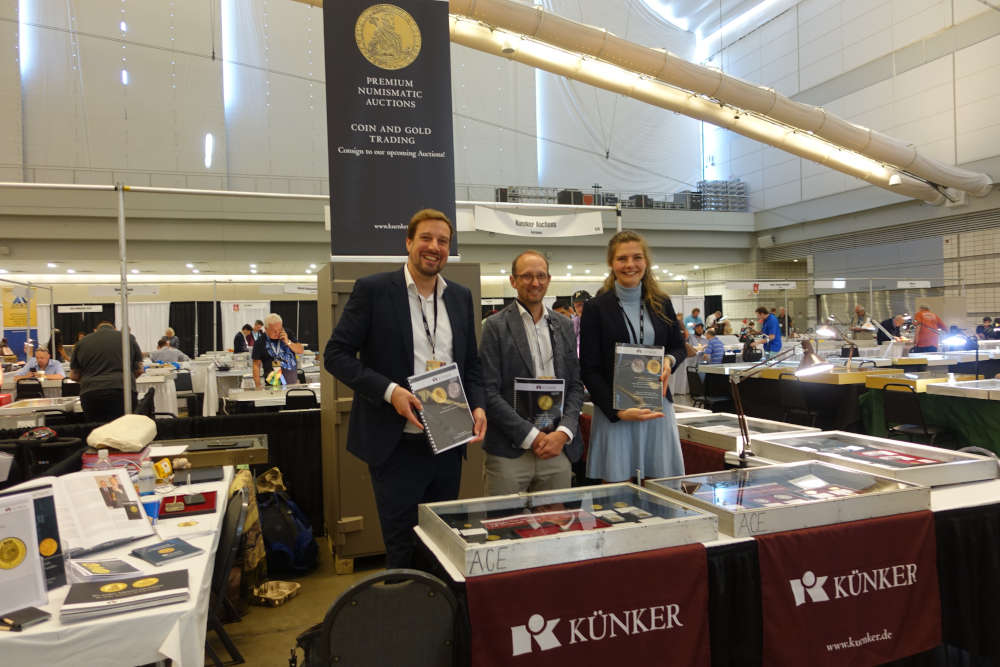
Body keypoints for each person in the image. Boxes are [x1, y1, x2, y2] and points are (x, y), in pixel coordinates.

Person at [325, 208, 486, 569]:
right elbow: (335, 355)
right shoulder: (374, 290)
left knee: (444, 543)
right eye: (426, 238)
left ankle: (438, 603)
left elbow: (471, 365)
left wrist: (478, 405)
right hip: (396, 444)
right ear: (409, 242)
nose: (434, 247)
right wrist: (390, 391)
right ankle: (404, 603)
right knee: (401, 547)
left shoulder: (459, 297)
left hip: (448, 439)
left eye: (443, 241)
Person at [579, 230, 686, 483]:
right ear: (611, 263)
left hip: (657, 408)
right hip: (616, 412)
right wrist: (617, 411)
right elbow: (589, 369)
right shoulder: (596, 308)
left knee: (661, 485)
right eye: (622, 258)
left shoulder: (662, 302)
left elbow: (678, 347)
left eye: (637, 257)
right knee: (617, 490)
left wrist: (669, 361)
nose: (630, 265)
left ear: (646, 261)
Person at [479, 250, 584, 495]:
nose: (535, 282)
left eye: (541, 276)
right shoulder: (494, 326)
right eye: (526, 276)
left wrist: (564, 432)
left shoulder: (564, 325)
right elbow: (489, 391)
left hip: (556, 448)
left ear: (549, 279)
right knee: (504, 518)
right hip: (509, 450)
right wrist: (531, 435)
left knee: (555, 518)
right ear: (513, 281)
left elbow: (575, 386)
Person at [70, 321, 143, 423]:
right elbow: (139, 370)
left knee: (95, 428)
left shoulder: (81, 342)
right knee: (124, 427)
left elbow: (74, 375)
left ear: (95, 330)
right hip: (122, 391)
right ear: (114, 329)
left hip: (91, 392)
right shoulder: (128, 339)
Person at [253, 313, 304, 388]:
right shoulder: (260, 342)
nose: (277, 333)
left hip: (292, 383)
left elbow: (300, 350)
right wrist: (258, 385)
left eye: (280, 329)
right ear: (266, 329)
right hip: (273, 386)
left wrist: (288, 342)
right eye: (274, 331)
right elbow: (256, 365)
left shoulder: (287, 333)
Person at [571, 290, 592, 356]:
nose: (580, 309)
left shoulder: (599, 319)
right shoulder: (575, 321)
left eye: (582, 305)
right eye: (576, 306)